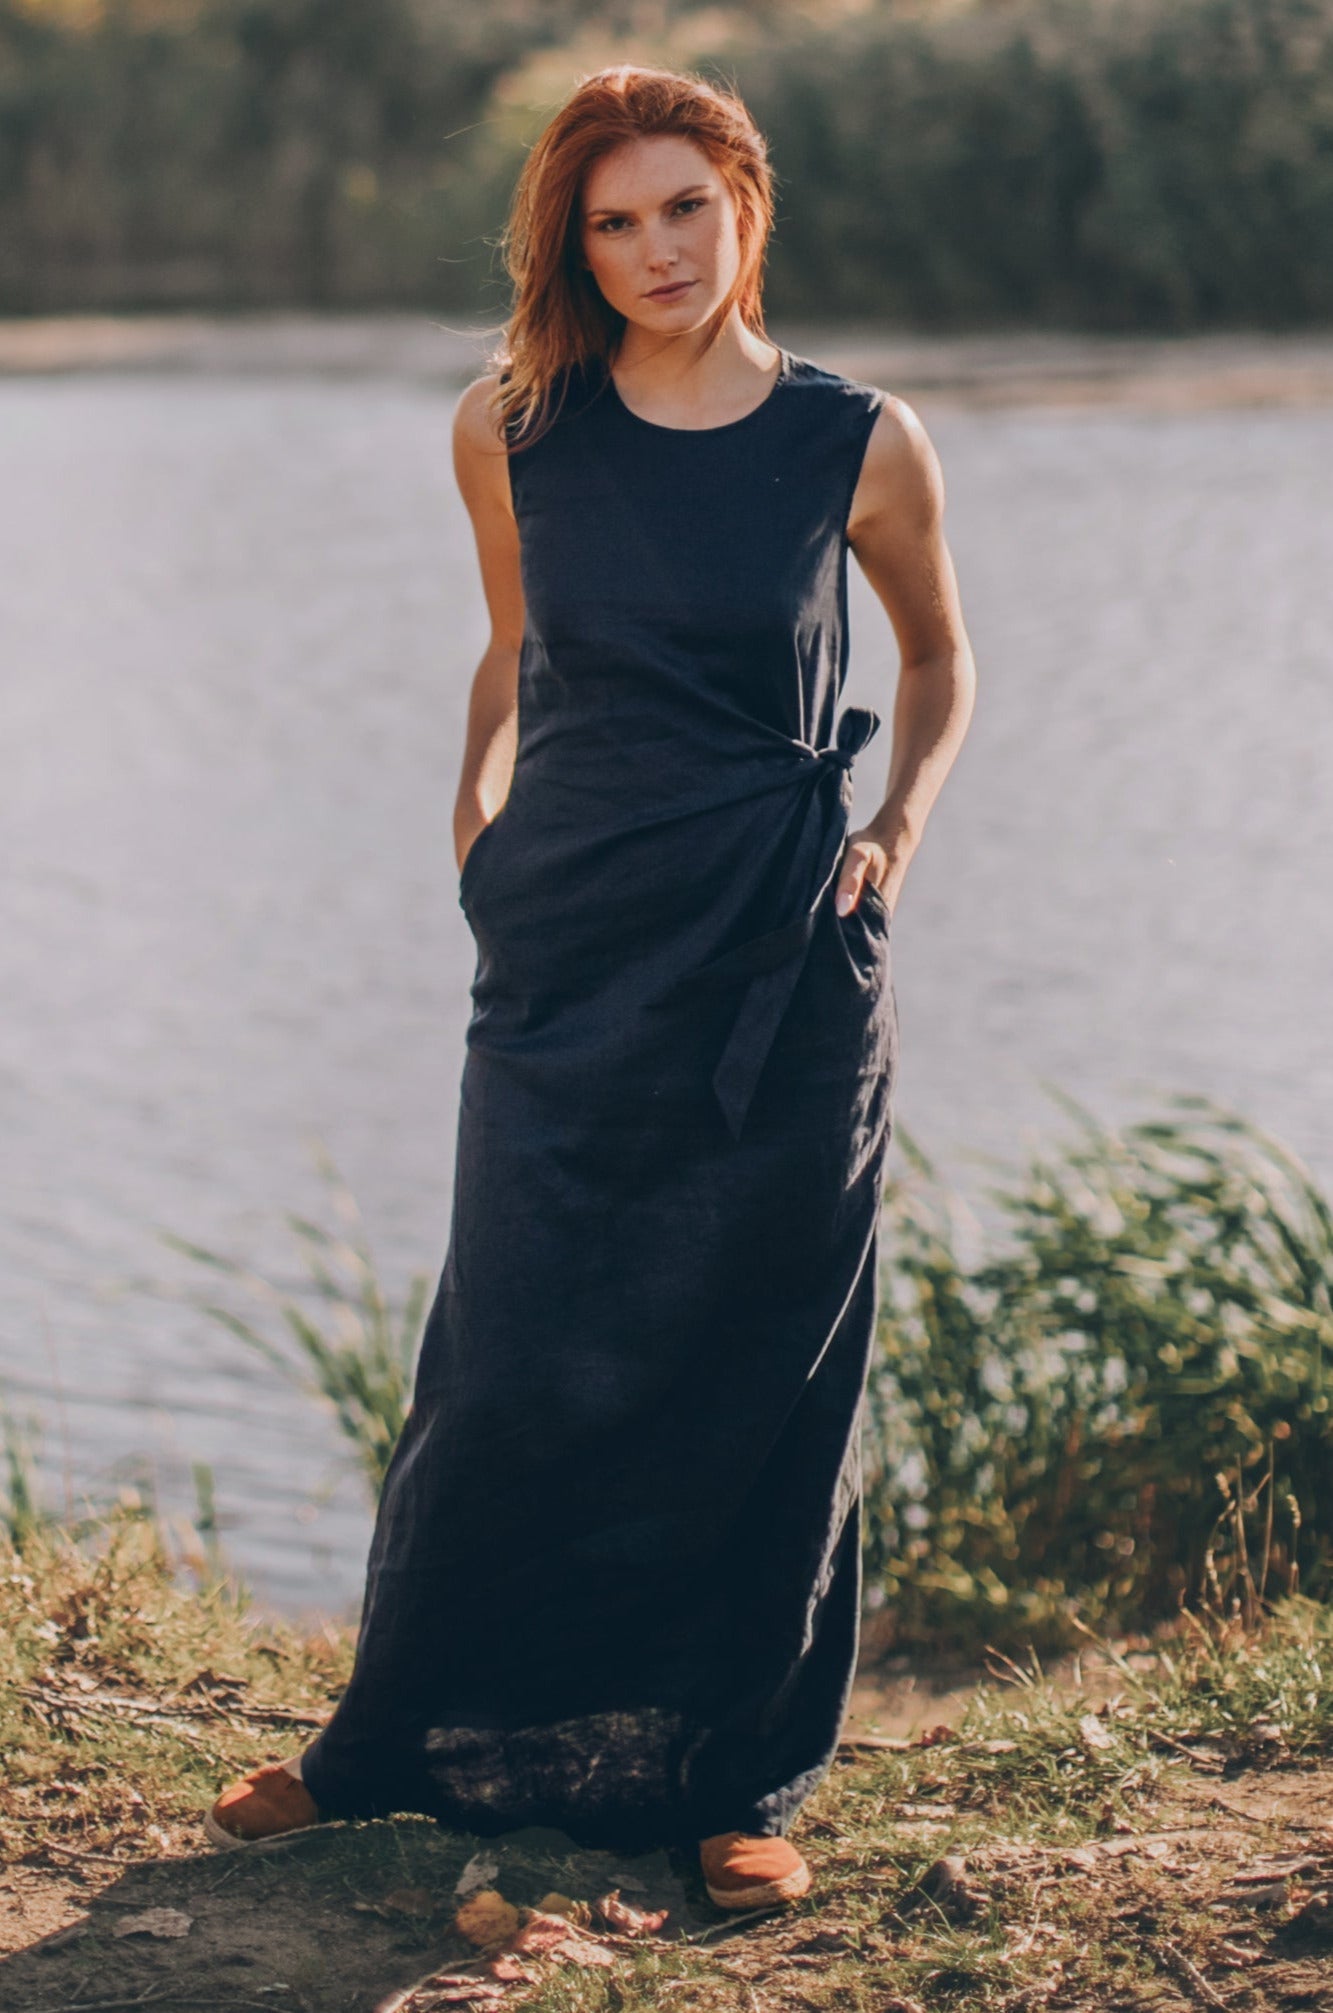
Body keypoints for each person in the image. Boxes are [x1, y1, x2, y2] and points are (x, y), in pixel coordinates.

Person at [205, 64, 975, 1912]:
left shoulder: (856, 438)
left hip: (785, 951)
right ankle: (383, 1745)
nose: (652, 250)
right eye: (613, 220)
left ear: (745, 208)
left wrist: (892, 838)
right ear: (573, 237)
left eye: (682, 209)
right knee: (514, 1345)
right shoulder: (516, 426)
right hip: (565, 941)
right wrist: (470, 830)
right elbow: (512, 647)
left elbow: (943, 661)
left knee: (763, 1356)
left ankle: (740, 1777)